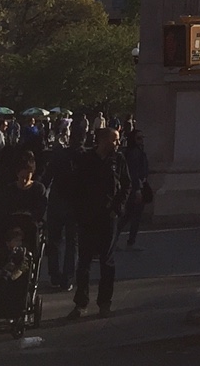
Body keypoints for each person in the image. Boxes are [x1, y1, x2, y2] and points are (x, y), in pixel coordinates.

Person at [69, 125, 130, 318]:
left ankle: (105, 302)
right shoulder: (86, 160)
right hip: (88, 217)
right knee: (84, 262)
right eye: (114, 139)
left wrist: (117, 208)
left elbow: (127, 185)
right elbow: (75, 187)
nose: (117, 143)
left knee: (107, 261)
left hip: (108, 216)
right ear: (103, 141)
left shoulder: (118, 160)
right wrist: (79, 211)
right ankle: (81, 303)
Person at [41, 134, 80, 289]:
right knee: (72, 241)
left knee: (54, 239)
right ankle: (68, 277)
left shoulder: (59, 155)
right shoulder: (84, 157)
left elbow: (47, 177)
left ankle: (54, 274)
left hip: (57, 200)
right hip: (75, 202)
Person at [117, 129, 150, 248]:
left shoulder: (136, 152)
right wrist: (137, 189)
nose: (141, 141)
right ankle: (130, 241)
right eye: (138, 138)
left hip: (137, 186)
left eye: (142, 138)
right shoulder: (135, 153)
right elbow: (134, 172)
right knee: (133, 216)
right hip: (136, 187)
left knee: (128, 216)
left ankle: (118, 240)